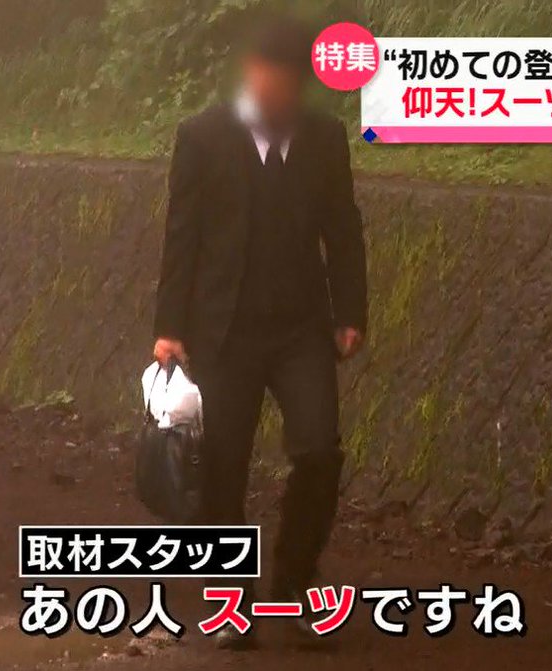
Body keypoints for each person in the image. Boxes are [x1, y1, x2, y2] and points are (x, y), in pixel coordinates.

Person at [151, 16, 367, 650]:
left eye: (289, 83)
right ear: (251, 73)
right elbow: (181, 235)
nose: (277, 93)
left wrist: (351, 312)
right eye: (268, 79)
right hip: (224, 331)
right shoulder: (202, 136)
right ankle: (230, 602)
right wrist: (169, 327)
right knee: (222, 465)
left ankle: (295, 584)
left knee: (319, 452)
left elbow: (343, 228)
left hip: (301, 329)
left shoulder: (325, 138)